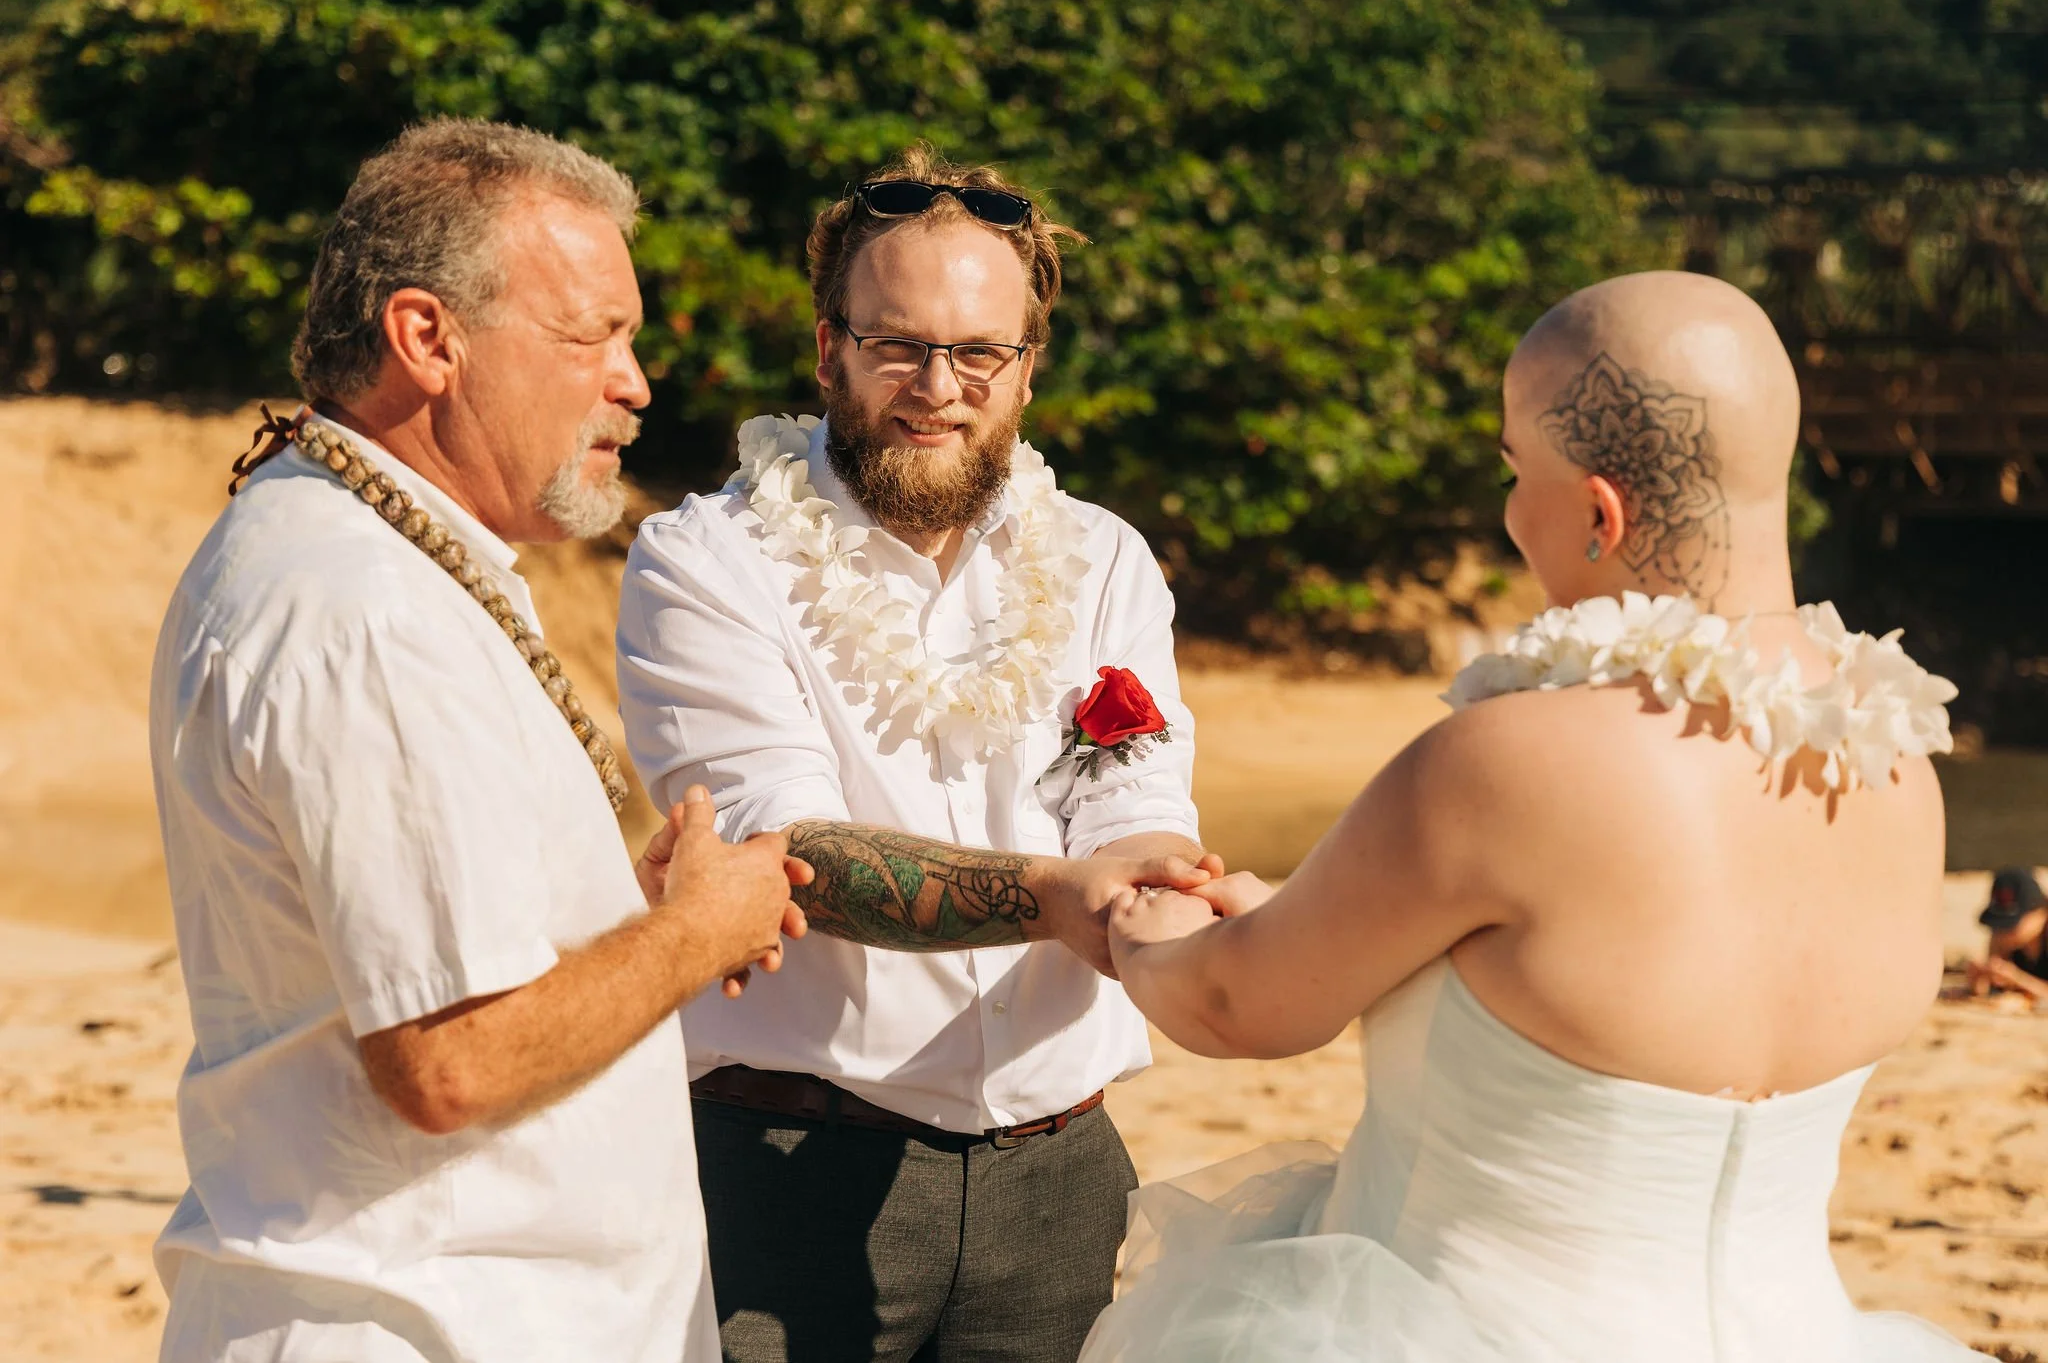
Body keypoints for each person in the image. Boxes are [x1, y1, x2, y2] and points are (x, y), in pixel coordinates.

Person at [1079, 270, 1981, 1360]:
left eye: (1514, 476)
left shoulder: (1507, 766)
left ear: (1598, 511)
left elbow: (1234, 1005)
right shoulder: (1894, 767)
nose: (1508, 517)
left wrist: (1143, 925)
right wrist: (1309, 914)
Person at [149, 120, 803, 1362]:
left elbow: (435, 964)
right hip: (427, 1325)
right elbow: (448, 1058)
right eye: (589, 335)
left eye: (632, 338)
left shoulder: (366, 552)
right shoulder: (365, 607)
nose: (634, 381)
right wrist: (691, 934)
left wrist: (631, 916)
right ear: (426, 338)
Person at [616, 146, 1219, 1361]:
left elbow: (1129, 806)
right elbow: (787, 857)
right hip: (785, 1166)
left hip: (1059, 1175)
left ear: (1026, 369)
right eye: (896, 345)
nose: (936, 387)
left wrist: (1183, 900)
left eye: (977, 353)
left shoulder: (1101, 561)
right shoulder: (705, 562)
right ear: (827, 344)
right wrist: (1057, 897)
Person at [1969, 867, 2048, 1001]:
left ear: (2039, 911)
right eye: (2000, 924)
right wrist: (1980, 983)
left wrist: (2019, 979)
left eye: (2011, 924)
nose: (2003, 931)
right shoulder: (2005, 941)